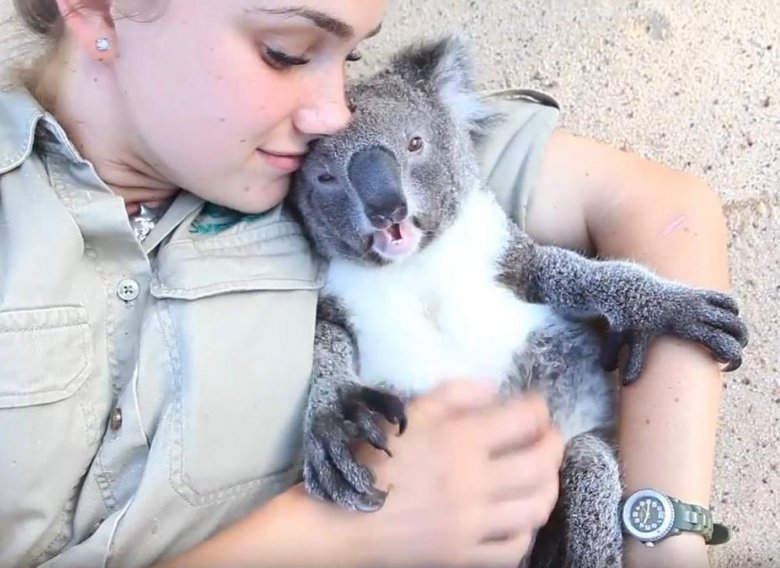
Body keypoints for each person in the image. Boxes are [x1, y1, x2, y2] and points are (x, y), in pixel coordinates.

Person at [0, 1, 734, 567]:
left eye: (353, 54)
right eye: (284, 53)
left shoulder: (327, 139)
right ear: (96, 8)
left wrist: (662, 532)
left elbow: (665, 210)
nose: (331, 108)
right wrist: (336, 536)